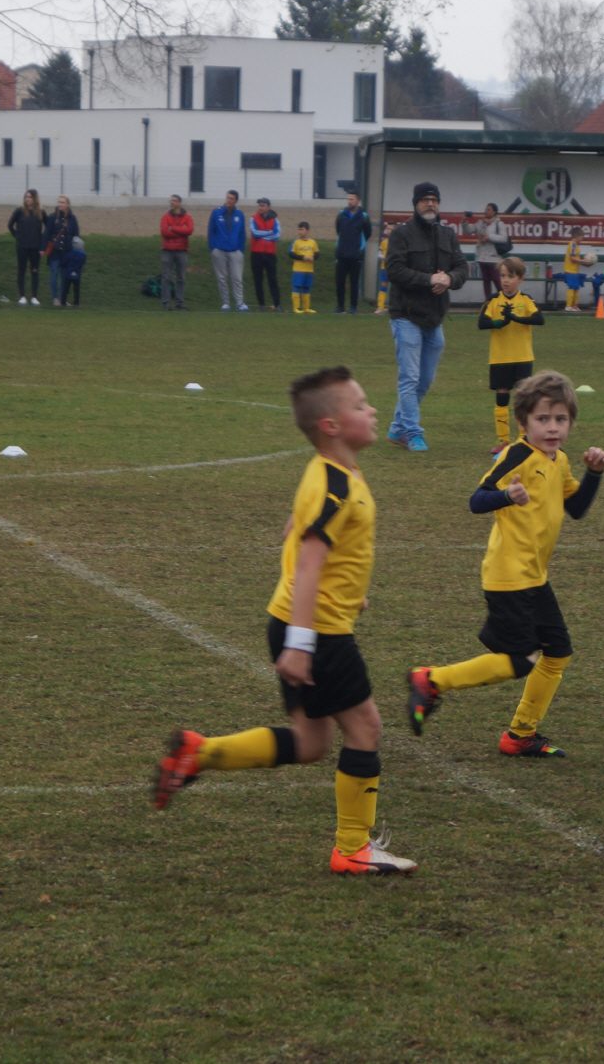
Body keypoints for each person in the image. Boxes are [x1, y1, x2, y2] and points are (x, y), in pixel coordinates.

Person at [154, 366, 416, 875]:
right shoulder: (335, 483)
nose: (372, 410)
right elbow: (311, 562)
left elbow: (304, 536)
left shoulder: (332, 473)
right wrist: (300, 644)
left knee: (311, 743)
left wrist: (348, 593)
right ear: (331, 426)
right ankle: (352, 849)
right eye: (360, 405)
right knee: (366, 727)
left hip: (303, 621)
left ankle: (198, 753)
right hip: (316, 631)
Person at [405, 371, 604, 759]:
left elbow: (577, 508)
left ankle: (520, 735)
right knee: (521, 660)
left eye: (561, 419)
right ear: (523, 422)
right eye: (542, 419)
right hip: (508, 575)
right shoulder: (517, 455)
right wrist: (506, 496)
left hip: (534, 576)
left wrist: (594, 473)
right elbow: (476, 500)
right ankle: (431, 680)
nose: (553, 428)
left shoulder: (559, 460)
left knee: (558, 653)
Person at [383, 181, 469, 452]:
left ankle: (397, 428)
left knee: (425, 380)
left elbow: (462, 267)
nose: (430, 203)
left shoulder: (447, 235)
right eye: (425, 199)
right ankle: (412, 432)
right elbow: (394, 270)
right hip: (405, 315)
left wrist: (449, 278)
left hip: (434, 318)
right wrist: (429, 279)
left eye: (434, 199)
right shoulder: (401, 234)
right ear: (416, 203)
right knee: (409, 378)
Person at [476, 256, 544, 452]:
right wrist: (499, 323)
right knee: (502, 397)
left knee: (523, 398)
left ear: (521, 279)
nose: (505, 280)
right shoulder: (493, 300)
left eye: (511, 276)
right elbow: (482, 323)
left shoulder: (526, 300)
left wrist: (515, 318)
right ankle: (503, 440)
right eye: (503, 275)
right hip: (500, 357)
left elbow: (539, 319)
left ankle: (523, 438)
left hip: (523, 357)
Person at [208, 189, 248, 312]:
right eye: (228, 198)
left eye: (232, 199)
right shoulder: (216, 212)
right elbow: (211, 231)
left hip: (235, 250)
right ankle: (225, 302)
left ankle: (239, 303)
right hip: (219, 249)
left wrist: (241, 250)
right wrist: (213, 248)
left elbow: (242, 233)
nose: (229, 200)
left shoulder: (239, 214)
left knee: (237, 278)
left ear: (236, 201)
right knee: (222, 278)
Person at [334, 191, 372, 315]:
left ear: (358, 201)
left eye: (352, 199)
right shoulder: (341, 214)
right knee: (340, 281)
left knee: (354, 282)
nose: (349, 201)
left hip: (356, 255)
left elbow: (368, 233)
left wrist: (358, 246)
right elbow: (338, 229)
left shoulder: (364, 216)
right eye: (348, 199)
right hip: (341, 254)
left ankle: (353, 307)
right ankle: (340, 307)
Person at [8, 189, 46, 306]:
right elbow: (10, 225)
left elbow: (48, 227)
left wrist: (42, 240)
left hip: (35, 247)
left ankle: (34, 296)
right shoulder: (19, 211)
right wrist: (17, 236)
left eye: (30, 197)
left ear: (35, 198)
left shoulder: (40, 212)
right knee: (22, 270)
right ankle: (22, 296)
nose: (27, 199)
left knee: (35, 271)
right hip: (22, 246)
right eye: (26, 197)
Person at [43, 196, 81, 307]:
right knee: (54, 274)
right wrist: (42, 248)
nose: (60, 204)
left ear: (67, 204)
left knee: (65, 276)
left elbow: (76, 235)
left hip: (67, 252)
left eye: (63, 202)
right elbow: (46, 233)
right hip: (54, 251)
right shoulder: (52, 217)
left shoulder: (72, 218)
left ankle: (63, 299)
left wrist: (76, 250)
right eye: (59, 202)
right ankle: (55, 298)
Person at [159, 194, 193, 311]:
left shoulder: (187, 217)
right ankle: (166, 303)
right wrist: (181, 231)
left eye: (174, 200)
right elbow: (165, 232)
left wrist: (173, 228)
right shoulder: (165, 217)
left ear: (180, 203)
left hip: (181, 250)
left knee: (181, 278)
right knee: (166, 277)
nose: (172, 202)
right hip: (167, 250)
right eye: (171, 200)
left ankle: (179, 303)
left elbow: (189, 230)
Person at [249, 197, 282, 311]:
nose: (260, 208)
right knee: (258, 280)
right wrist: (268, 232)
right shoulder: (253, 218)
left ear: (269, 207)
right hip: (256, 253)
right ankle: (261, 304)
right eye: (260, 205)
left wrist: (262, 236)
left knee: (272, 279)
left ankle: (277, 304)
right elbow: (254, 233)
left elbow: (277, 235)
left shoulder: (275, 220)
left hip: (270, 254)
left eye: (263, 205)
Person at [472, 203, 507, 301]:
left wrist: (489, 237)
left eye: (489, 210)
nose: (486, 211)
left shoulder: (499, 223)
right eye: (486, 209)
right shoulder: (480, 222)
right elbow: (468, 230)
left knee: (496, 279)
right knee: (486, 280)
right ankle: (488, 301)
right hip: (482, 256)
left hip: (493, 256)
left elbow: (504, 238)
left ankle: (503, 299)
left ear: (494, 212)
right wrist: (465, 222)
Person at [289, 222, 319, 314]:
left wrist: (314, 258)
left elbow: (317, 253)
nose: (300, 232)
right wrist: (303, 257)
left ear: (307, 231)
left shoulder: (313, 242)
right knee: (297, 287)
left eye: (302, 229)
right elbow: (291, 254)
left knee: (306, 288)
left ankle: (306, 308)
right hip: (299, 269)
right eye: (299, 230)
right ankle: (296, 308)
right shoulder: (296, 242)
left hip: (309, 270)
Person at [373, 237, 388, 314]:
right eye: (388, 230)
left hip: (395, 267)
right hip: (384, 267)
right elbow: (379, 254)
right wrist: (383, 257)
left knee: (396, 287)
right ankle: (380, 307)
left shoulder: (399, 240)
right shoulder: (384, 241)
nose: (389, 231)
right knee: (383, 285)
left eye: (391, 230)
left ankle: (396, 307)